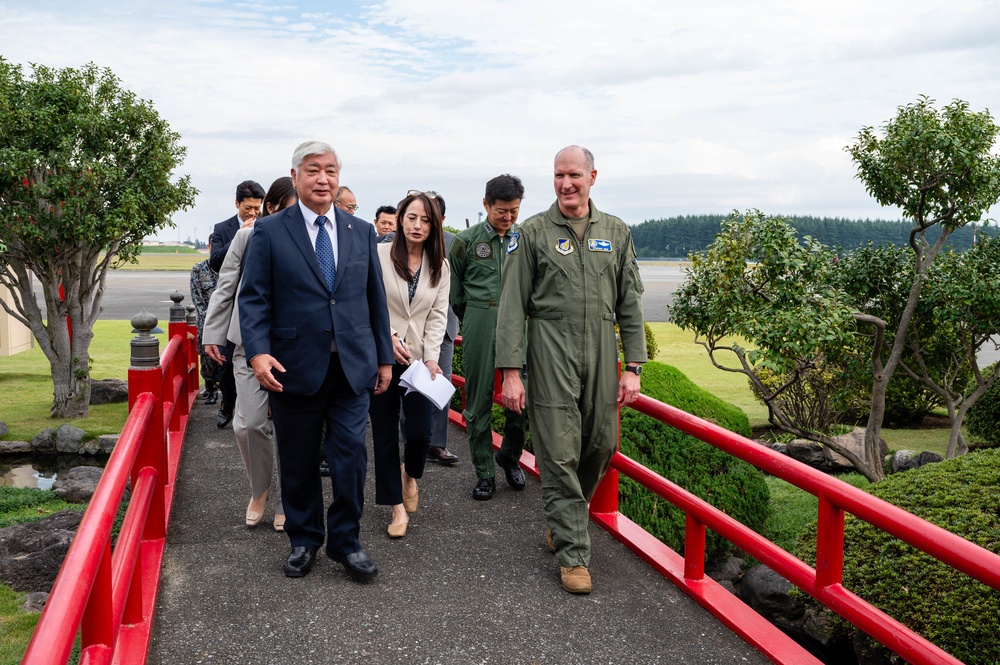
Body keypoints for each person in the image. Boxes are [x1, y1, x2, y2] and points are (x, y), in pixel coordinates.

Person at [239, 141, 393, 581]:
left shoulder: (359, 230)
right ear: (295, 175)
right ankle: (305, 539)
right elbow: (254, 299)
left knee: (350, 459)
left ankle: (347, 542)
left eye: (330, 170)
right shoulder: (269, 231)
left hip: (352, 367)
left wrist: (384, 358)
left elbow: (373, 300)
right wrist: (258, 352)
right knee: (300, 458)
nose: (322, 178)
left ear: (338, 176)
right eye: (312, 170)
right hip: (292, 366)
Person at [496, 146, 647, 595]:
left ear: (592, 177)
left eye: (575, 175)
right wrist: (511, 373)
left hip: (601, 349)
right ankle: (574, 556)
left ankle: (564, 524)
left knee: (601, 444)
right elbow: (511, 308)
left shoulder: (616, 232)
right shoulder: (533, 233)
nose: (566, 184)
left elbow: (630, 303)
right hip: (550, 347)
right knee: (559, 451)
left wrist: (633, 366)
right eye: (559, 175)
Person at [203, 176, 296, 532]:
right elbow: (226, 284)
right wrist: (213, 332)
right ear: (270, 208)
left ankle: (289, 498)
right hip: (248, 343)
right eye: (287, 210)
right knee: (247, 424)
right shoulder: (247, 236)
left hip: (292, 347)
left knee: (292, 428)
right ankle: (260, 489)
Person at [370, 191, 450, 538]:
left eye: (426, 220)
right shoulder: (379, 255)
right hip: (381, 356)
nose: (418, 226)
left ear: (435, 226)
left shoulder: (440, 266)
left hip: (418, 361)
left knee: (420, 433)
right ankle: (396, 508)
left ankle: (409, 475)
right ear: (400, 219)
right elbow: (365, 302)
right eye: (412, 218)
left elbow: (437, 316)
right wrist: (386, 336)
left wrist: (431, 357)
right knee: (385, 433)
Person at [449, 174, 529, 500]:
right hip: (480, 322)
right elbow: (456, 294)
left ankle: (509, 457)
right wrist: (474, 322)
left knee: (522, 403)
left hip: (519, 328)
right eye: (501, 211)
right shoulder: (465, 242)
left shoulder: (525, 240)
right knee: (478, 402)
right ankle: (484, 473)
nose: (508, 217)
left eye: (514, 211)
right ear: (486, 205)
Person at [208, 180, 266, 429]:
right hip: (230, 305)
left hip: (252, 308)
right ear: (237, 204)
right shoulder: (223, 229)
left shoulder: (266, 226)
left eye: (257, 208)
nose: (253, 213)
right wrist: (241, 235)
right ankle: (227, 405)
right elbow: (216, 263)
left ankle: (256, 411)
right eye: (248, 208)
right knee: (227, 364)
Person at [190, 243, 221, 405]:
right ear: (210, 247)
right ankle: (211, 388)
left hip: (226, 319)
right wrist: (209, 319)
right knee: (206, 356)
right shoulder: (199, 269)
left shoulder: (230, 267)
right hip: (206, 319)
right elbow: (197, 297)